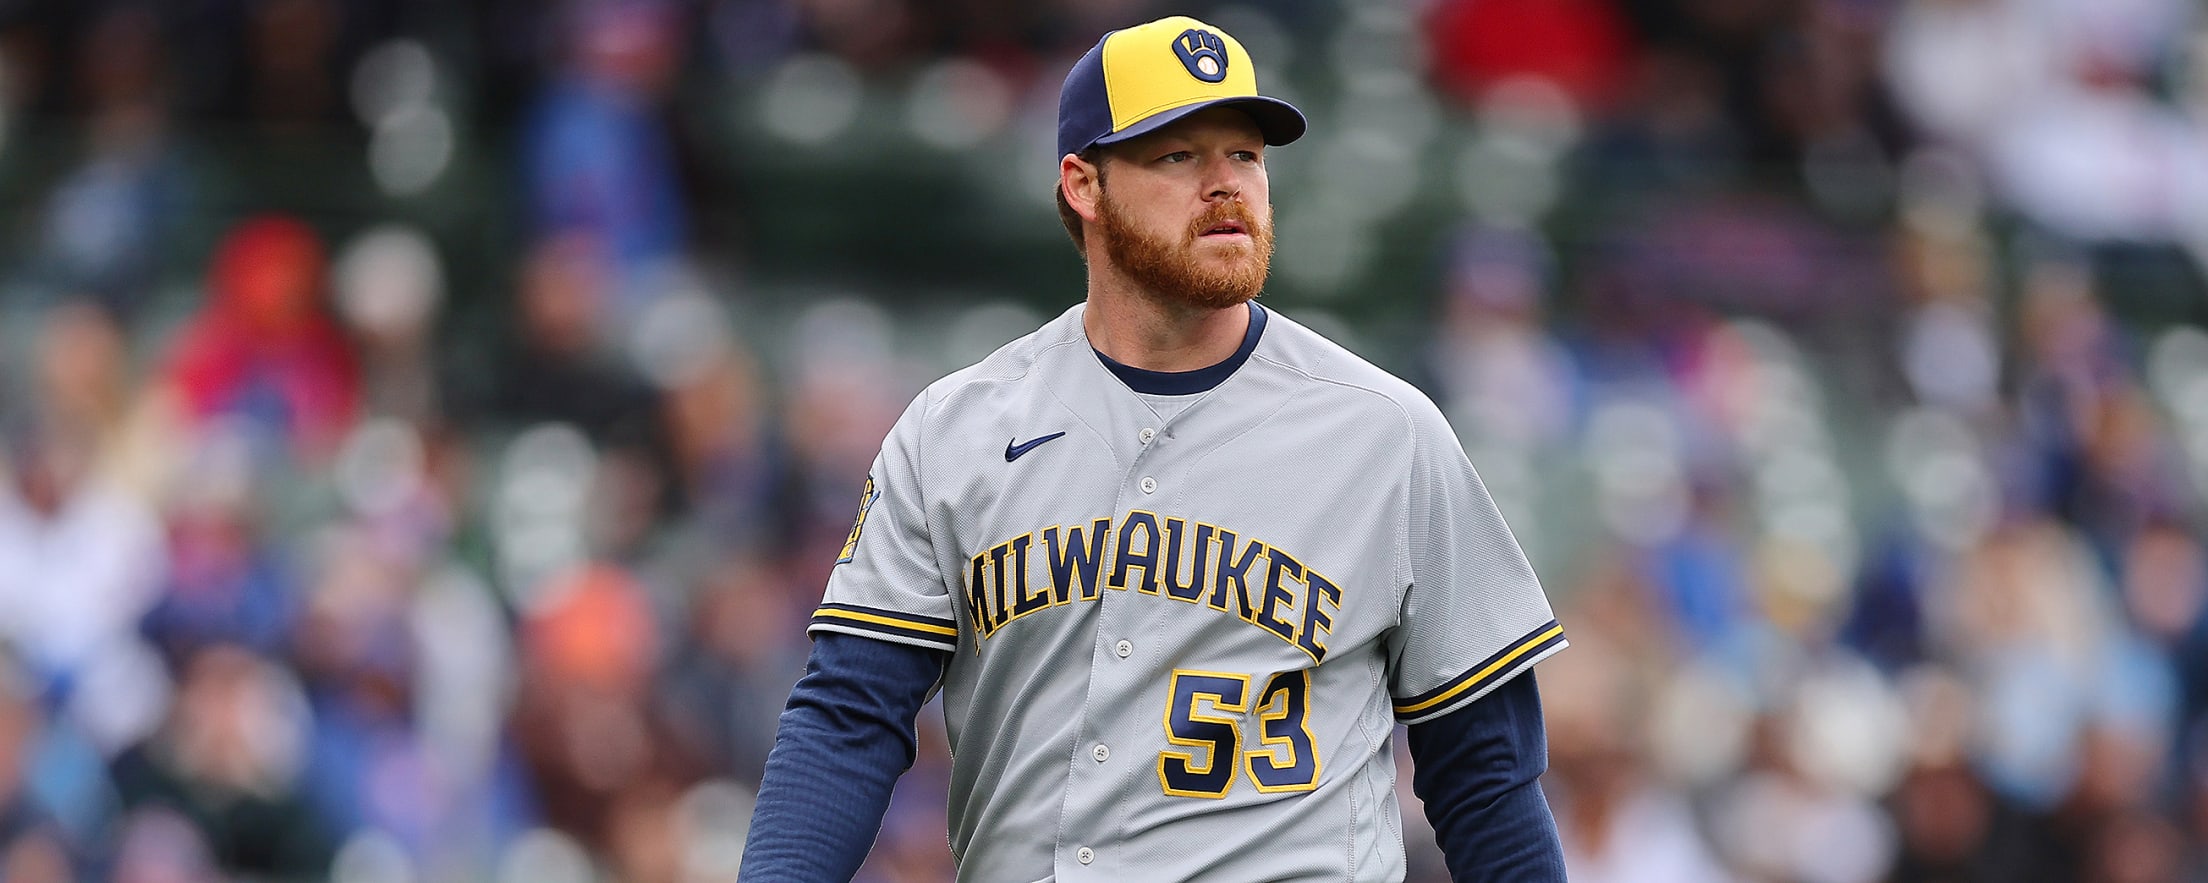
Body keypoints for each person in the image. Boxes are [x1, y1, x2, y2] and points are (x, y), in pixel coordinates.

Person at [739, 15, 1569, 881]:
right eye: (1179, 156)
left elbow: (1488, 777)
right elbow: (849, 716)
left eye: (1245, 154)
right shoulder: (953, 430)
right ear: (1083, 185)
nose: (1226, 185)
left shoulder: (1386, 432)